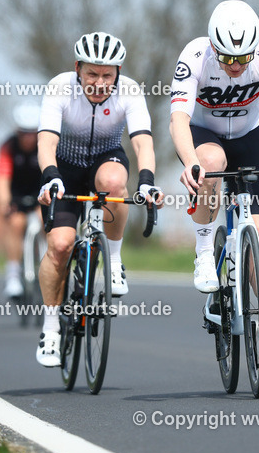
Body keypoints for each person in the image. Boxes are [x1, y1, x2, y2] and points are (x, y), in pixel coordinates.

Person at [169, 0, 259, 367]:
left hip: (249, 138)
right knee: (212, 163)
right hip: (205, 135)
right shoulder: (195, 56)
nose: (235, 67)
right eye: (228, 59)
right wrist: (191, 163)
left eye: (243, 59)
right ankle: (204, 254)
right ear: (214, 47)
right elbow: (179, 119)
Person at [34, 32, 163, 367]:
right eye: (92, 73)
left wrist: (147, 181)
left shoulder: (130, 91)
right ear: (77, 68)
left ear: (118, 72)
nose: (99, 83)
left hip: (106, 158)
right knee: (60, 246)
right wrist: (51, 176)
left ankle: (115, 261)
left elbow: (143, 143)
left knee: (115, 182)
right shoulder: (60, 87)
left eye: (108, 75)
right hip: (63, 167)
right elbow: (46, 141)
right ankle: (50, 327)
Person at [0, 103, 42, 298]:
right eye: (24, 133)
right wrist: (5, 203)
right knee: (16, 223)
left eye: (33, 133)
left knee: (46, 224)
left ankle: (48, 266)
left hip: (41, 193)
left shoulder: (46, 145)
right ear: (17, 131)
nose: (29, 138)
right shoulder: (8, 147)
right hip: (17, 195)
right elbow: (2, 179)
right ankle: (13, 276)